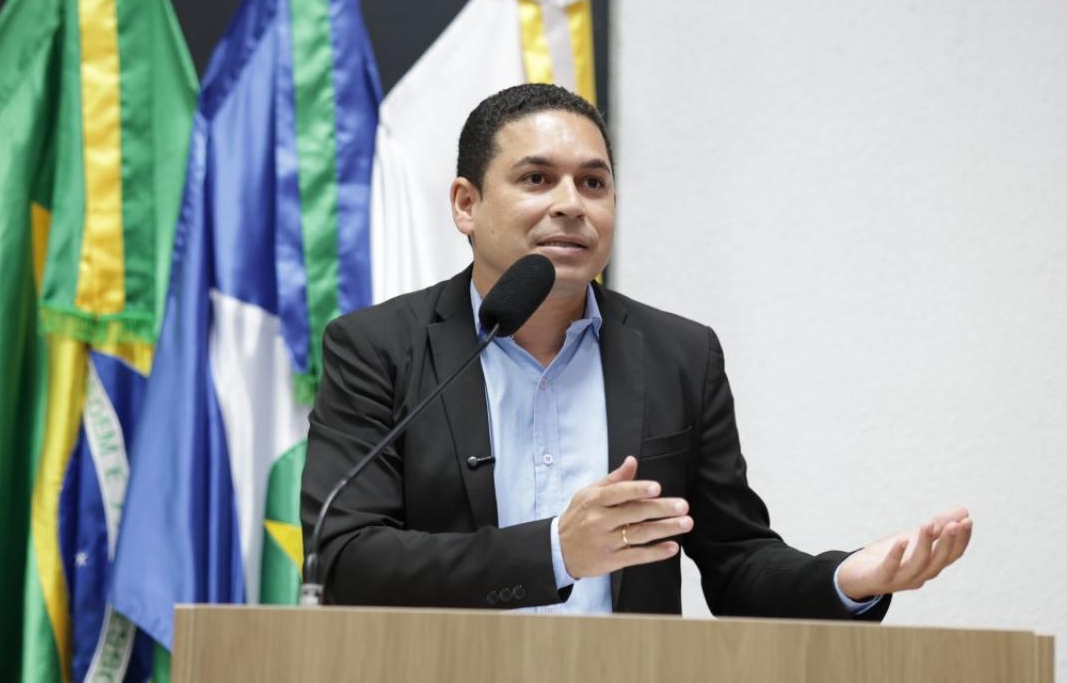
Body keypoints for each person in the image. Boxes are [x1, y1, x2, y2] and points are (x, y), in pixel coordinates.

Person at [301, 83, 972, 618]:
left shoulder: (680, 355)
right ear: (465, 204)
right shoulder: (379, 348)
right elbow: (345, 558)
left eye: (593, 183)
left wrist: (845, 578)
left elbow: (737, 562)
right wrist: (555, 552)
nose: (572, 205)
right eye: (537, 179)